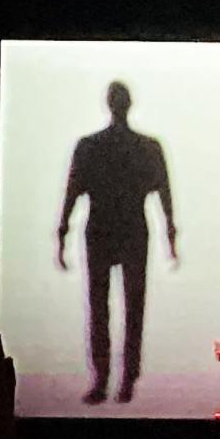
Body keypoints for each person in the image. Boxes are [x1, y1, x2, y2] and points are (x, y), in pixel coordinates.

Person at [57, 81, 177, 405]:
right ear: (128, 104)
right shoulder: (147, 147)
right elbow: (164, 195)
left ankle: (104, 380)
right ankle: (124, 380)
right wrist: (170, 235)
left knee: (101, 308)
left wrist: (62, 233)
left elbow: (72, 193)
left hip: (102, 227)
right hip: (131, 228)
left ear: (109, 104)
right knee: (131, 307)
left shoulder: (90, 146)